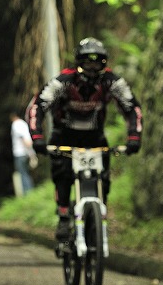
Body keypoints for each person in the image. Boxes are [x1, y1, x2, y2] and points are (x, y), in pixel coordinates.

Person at [27, 37, 143, 242]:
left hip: (94, 137)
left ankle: (98, 215)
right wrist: (37, 138)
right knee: (62, 175)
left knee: (104, 178)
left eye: (97, 62)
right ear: (78, 62)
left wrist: (134, 137)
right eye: (88, 62)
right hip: (63, 136)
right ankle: (63, 215)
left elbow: (132, 107)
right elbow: (37, 106)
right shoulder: (64, 80)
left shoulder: (111, 81)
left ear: (104, 63)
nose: (92, 67)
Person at [10, 111, 37, 196]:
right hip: (26, 153)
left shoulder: (16, 124)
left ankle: (28, 193)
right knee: (26, 173)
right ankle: (29, 192)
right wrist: (32, 153)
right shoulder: (24, 124)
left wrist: (31, 154)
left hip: (19, 153)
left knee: (23, 173)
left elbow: (25, 140)